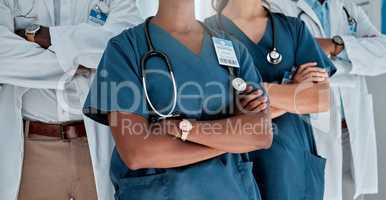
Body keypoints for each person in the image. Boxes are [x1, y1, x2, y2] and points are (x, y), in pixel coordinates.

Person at [83, 0, 274, 199]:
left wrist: (186, 129)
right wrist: (233, 139)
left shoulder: (234, 49)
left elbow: (261, 134)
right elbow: (137, 153)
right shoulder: (125, 49)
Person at [0, 0, 142, 199]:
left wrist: (46, 36)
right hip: (33, 150)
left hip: (96, 145)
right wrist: (79, 63)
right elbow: (3, 57)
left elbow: (126, 47)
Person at [206, 0, 337, 199]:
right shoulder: (205, 33)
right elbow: (217, 105)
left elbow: (319, 99)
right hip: (239, 168)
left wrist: (250, 91)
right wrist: (292, 91)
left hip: (292, 167)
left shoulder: (293, 29)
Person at [270, 0, 386, 199]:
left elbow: (382, 54)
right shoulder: (278, 7)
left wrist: (335, 45)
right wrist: (354, 63)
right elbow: (292, 67)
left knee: (351, 192)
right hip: (312, 127)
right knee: (317, 192)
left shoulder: (347, 7)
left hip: (350, 128)